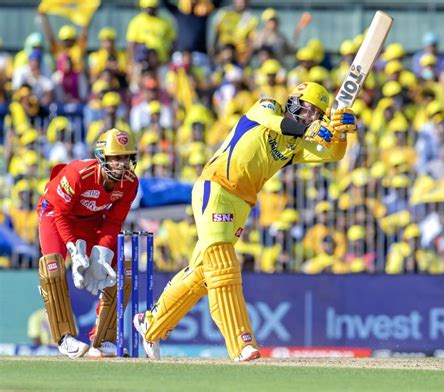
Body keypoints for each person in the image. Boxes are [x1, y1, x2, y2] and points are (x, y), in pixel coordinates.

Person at [133, 82, 357, 361]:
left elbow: (332, 154)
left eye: (316, 114)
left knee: (205, 273)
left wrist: (340, 134)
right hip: (215, 188)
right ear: (294, 102)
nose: (310, 116)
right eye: (308, 109)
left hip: (242, 205)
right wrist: (309, 130)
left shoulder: (295, 146)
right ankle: (241, 344)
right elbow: (272, 121)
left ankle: (151, 322)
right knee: (224, 266)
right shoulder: (267, 107)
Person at [37, 128, 139, 358]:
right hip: (56, 213)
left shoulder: (130, 183)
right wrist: (74, 249)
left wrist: (102, 253)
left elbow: (114, 221)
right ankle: (64, 337)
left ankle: (102, 338)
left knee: (122, 271)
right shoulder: (78, 174)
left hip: (92, 219)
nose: (122, 164)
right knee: (52, 267)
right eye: (116, 158)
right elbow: (61, 214)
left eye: (126, 157)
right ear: (102, 157)